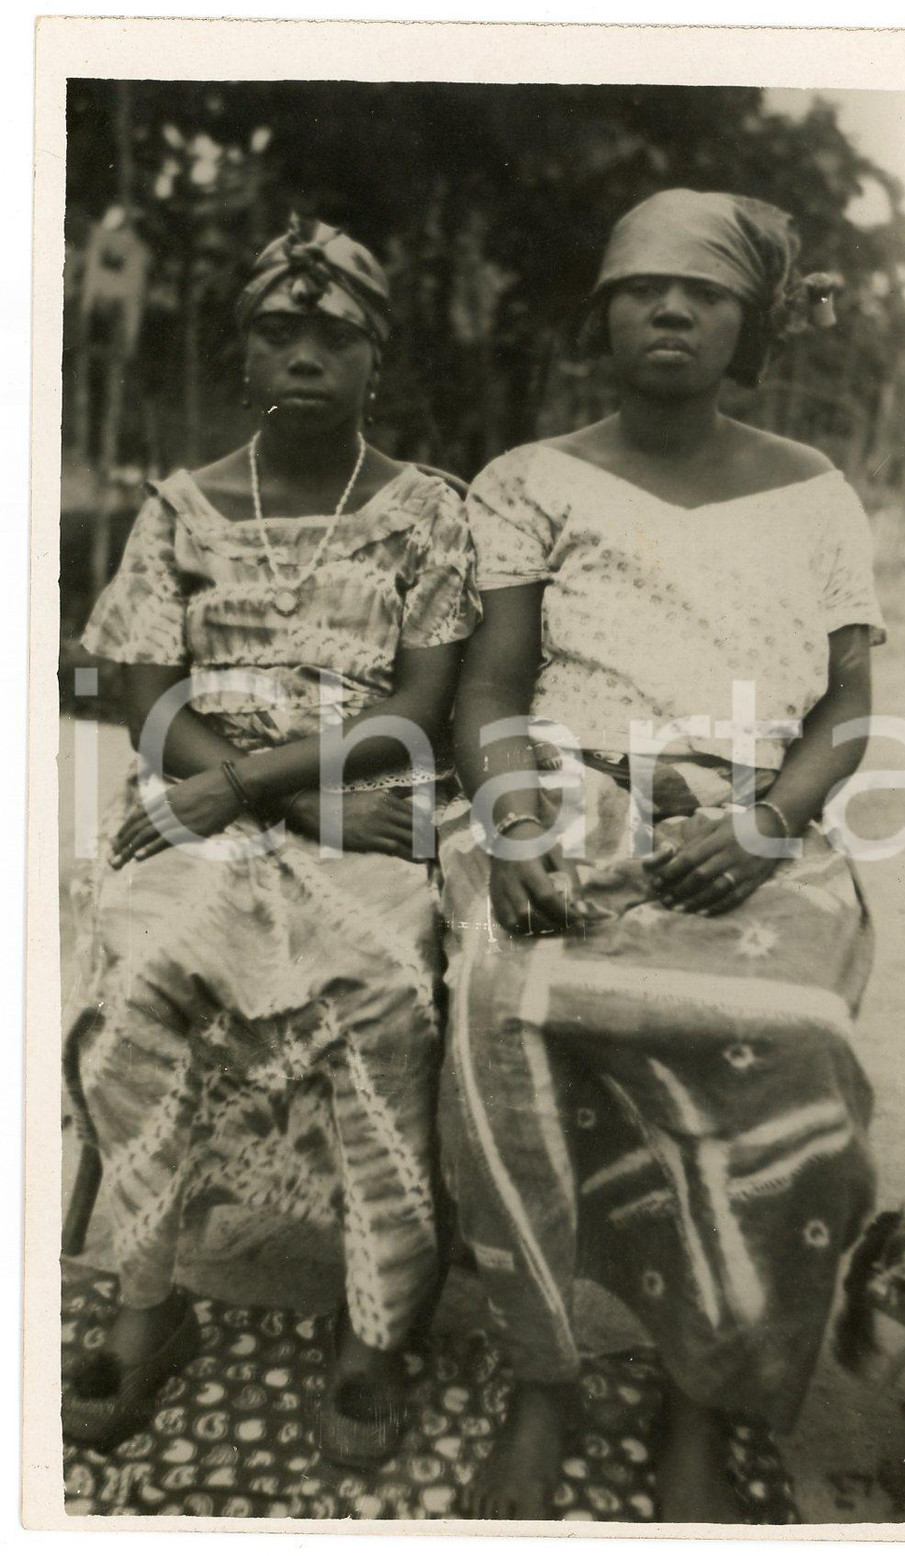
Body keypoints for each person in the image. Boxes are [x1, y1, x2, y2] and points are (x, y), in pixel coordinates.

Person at [437, 188, 884, 1522]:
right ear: (604, 314)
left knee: (799, 1045)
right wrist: (513, 826)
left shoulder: (816, 493)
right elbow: (491, 688)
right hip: (561, 796)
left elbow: (847, 711)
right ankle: (544, 1379)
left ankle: (700, 1396)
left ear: (750, 323)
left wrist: (763, 824)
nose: (671, 309)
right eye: (642, 288)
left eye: (704, 292)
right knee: (504, 995)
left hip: (754, 821)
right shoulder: (529, 479)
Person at [62, 216, 480, 1465]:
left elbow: (420, 703)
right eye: (278, 332)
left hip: (366, 798)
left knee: (386, 985)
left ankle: (373, 1319)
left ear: (375, 361)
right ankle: (148, 1302)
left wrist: (264, 787)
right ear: (241, 354)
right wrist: (273, 801)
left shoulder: (427, 513)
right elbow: (145, 695)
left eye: (335, 336)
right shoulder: (178, 510)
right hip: (205, 799)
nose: (305, 354)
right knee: (138, 974)